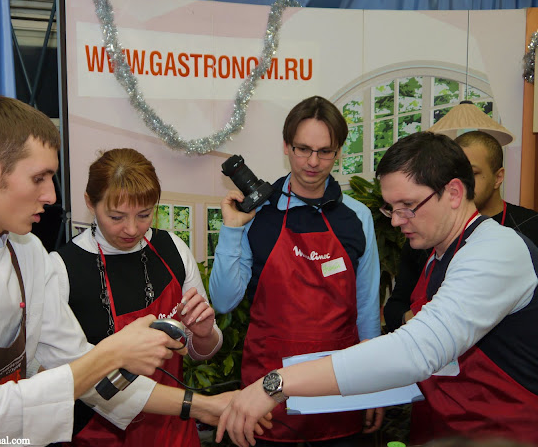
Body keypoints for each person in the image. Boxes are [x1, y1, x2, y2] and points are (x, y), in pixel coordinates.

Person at [0, 96, 234, 445]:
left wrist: (204, 406)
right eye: (39, 178)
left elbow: (79, 365)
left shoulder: (28, 252)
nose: (50, 195)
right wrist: (112, 353)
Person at [215, 131, 538, 447]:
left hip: (502, 433)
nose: (396, 221)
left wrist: (276, 383)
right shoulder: (437, 256)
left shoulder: (496, 249)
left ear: (453, 192)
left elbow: (418, 349)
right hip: (442, 429)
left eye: (408, 205)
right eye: (391, 207)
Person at [208, 96, 383, 446]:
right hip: (267, 396)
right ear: (286, 146)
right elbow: (224, 301)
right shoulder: (257, 213)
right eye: (303, 149)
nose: (313, 162)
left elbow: (366, 307)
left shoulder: (357, 216)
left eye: (325, 151)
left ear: (339, 152)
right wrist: (231, 229)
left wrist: (376, 384)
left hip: (340, 389)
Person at [51, 148, 224, 446]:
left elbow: (198, 351)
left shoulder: (173, 249)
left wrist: (204, 335)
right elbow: (65, 377)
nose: (132, 229)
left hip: (173, 428)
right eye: (116, 217)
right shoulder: (62, 269)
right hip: (99, 434)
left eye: (144, 215)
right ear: (90, 203)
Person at [383, 130, 538, 332]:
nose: (396, 221)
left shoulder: (506, 244)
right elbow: (398, 306)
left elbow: (435, 336)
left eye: (472, 173)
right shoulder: (428, 239)